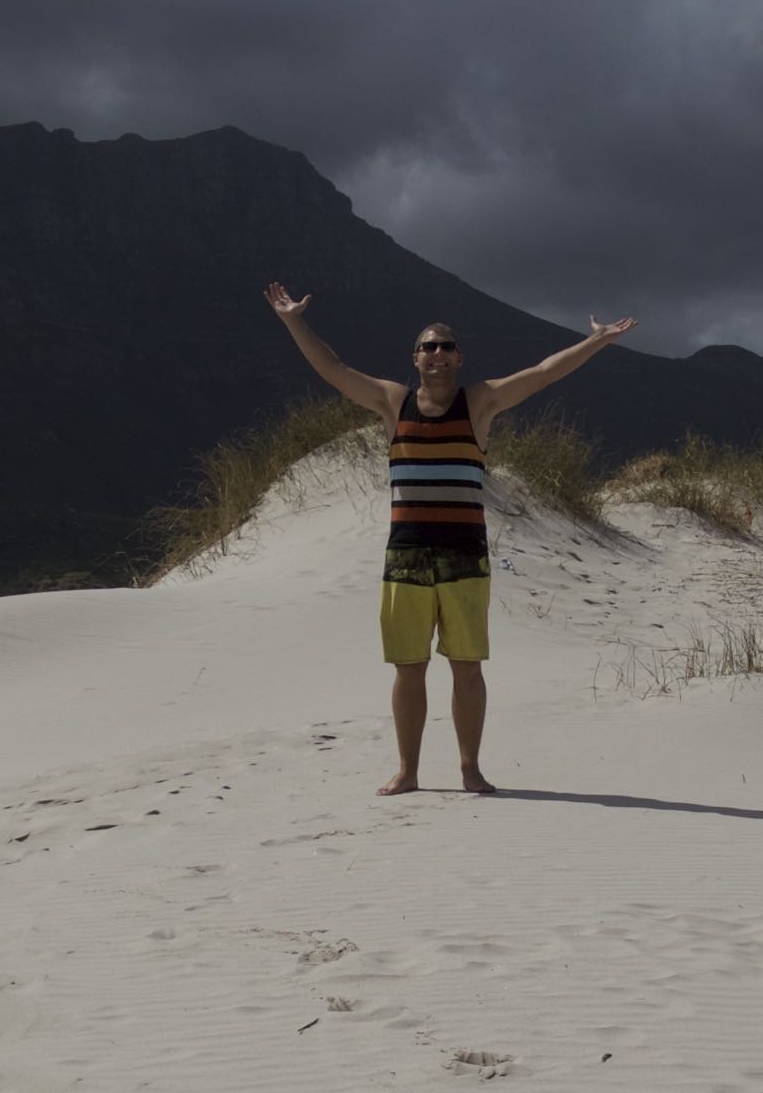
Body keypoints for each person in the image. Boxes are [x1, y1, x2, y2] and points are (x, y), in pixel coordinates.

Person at [263, 285, 636, 793]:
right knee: (408, 667)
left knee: (467, 666)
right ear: (415, 358)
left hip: (465, 556)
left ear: (459, 357)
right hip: (406, 556)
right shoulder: (392, 402)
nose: (437, 352)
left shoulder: (478, 403)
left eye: (446, 346)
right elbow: (333, 369)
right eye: (428, 346)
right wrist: (293, 321)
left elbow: (544, 372)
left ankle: (469, 768)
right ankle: (408, 771)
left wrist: (596, 341)